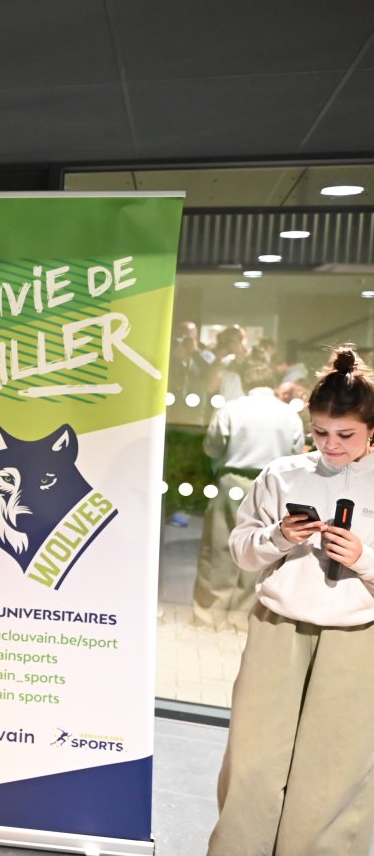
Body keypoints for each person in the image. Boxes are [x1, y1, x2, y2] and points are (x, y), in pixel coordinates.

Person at [208, 346, 374, 855]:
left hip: (357, 638)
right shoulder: (282, 474)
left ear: (371, 430)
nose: (330, 445)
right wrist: (279, 537)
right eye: (320, 432)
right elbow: (242, 551)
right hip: (276, 627)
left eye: (345, 435)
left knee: (334, 772)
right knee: (253, 760)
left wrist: (364, 559)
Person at [192, 357, 304, 628]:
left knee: (219, 547)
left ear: (244, 382)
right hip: (272, 485)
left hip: (232, 482)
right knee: (260, 547)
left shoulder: (230, 409)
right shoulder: (289, 414)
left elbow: (212, 447)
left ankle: (210, 616)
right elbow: (295, 451)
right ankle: (242, 616)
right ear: (271, 384)